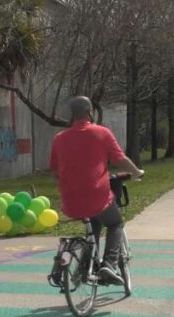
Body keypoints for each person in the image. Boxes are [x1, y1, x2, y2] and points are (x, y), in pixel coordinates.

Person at [49, 96, 144, 285]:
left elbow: (54, 169)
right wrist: (136, 172)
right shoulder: (102, 133)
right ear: (90, 112)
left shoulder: (60, 138)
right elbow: (119, 159)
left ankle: (84, 268)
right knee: (115, 223)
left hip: (70, 201)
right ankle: (109, 264)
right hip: (97, 196)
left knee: (94, 224)